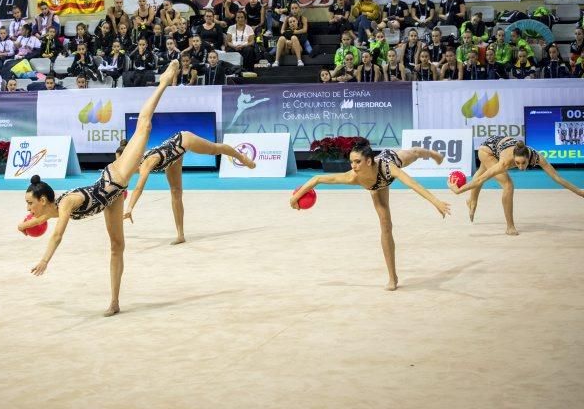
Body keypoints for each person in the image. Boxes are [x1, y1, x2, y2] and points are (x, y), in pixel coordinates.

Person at [20, 61, 182, 316]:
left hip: (115, 177)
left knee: (144, 125)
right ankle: (115, 302)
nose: (28, 208)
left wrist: (44, 260)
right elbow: (34, 221)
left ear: (42, 199)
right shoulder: (49, 210)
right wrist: (23, 225)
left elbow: (57, 235)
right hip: (112, 198)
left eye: (30, 202)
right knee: (117, 246)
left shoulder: (65, 205)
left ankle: (163, 80)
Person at [291, 139, 451, 290]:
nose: (353, 166)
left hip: (388, 165)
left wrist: (436, 202)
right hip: (375, 187)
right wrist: (295, 198)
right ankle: (392, 277)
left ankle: (431, 154)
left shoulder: (389, 167)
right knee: (386, 225)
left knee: (415, 153)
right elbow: (317, 179)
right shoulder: (352, 176)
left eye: (357, 161)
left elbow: (412, 184)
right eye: (351, 161)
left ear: (368, 161)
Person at [123, 131, 256, 244]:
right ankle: (180, 235)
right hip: (172, 158)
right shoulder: (136, 165)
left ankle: (241, 157)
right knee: (175, 192)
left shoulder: (147, 163)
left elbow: (139, 188)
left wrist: (130, 208)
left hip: (183, 140)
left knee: (214, 149)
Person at [449, 137, 583, 235]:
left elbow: (557, 177)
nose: (520, 167)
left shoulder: (538, 157)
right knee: (508, 184)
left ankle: (471, 201)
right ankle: (510, 227)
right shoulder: (505, 162)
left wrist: (579, 192)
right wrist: (458, 190)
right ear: (513, 157)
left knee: (481, 171)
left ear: (528, 157)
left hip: (497, 144)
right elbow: (482, 180)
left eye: (523, 163)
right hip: (487, 150)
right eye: (517, 163)